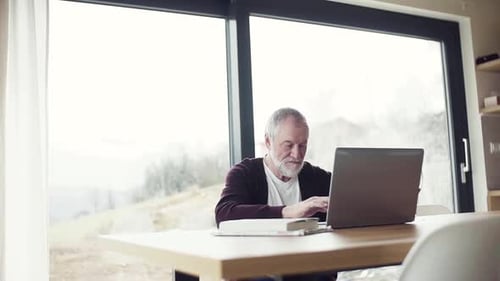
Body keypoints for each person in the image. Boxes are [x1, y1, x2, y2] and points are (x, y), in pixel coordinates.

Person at [214, 107, 335, 281]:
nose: (297, 154)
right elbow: (224, 214)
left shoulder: (317, 177)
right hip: (256, 271)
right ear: (268, 142)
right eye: (289, 145)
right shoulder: (244, 173)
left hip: (307, 271)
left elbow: (349, 202)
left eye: (303, 145)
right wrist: (286, 212)